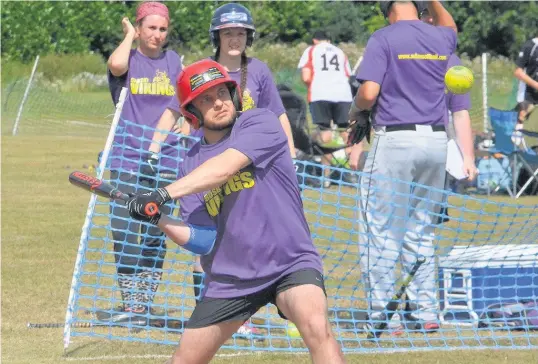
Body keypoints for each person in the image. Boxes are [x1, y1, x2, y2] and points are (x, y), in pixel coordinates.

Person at [126, 59, 346, 364]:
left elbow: (224, 168)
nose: (218, 103)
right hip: (231, 278)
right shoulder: (190, 162)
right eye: (206, 99)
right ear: (192, 112)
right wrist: (159, 218)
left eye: (222, 93)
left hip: (289, 263)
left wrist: (163, 193)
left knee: (316, 327)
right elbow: (202, 240)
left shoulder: (259, 122)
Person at [147, 2, 298, 337]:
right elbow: (176, 112)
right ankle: (211, 311)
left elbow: (277, 113)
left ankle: (250, 310)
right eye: (228, 33)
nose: (235, 39)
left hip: (251, 169)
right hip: (209, 164)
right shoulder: (202, 69)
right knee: (207, 244)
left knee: (251, 239)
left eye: (241, 33)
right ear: (217, 35)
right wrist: (154, 149)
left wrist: (290, 154)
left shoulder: (257, 70)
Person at [348, 0, 458, 334]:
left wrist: (356, 110)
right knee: (421, 228)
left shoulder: (384, 37)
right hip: (436, 142)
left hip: (395, 139)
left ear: (388, 10)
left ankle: (385, 316)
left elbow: (368, 92)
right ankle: (426, 312)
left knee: (380, 231)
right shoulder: (441, 37)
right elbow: (451, 25)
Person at [105, 1, 183, 322]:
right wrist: (127, 36)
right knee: (123, 230)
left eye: (162, 29)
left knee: (154, 230)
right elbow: (116, 66)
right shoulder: (130, 58)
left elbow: (181, 103)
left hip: (165, 156)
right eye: (151, 28)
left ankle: (143, 303)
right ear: (139, 29)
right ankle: (131, 301)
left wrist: (170, 134)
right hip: (126, 155)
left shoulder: (174, 61)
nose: (157, 35)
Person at [297, 30, 356, 187]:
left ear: (315, 40)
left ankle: (326, 177)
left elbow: (306, 76)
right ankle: (351, 173)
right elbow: (348, 76)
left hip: (320, 94)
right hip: (343, 95)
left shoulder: (311, 50)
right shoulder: (340, 51)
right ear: (328, 40)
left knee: (325, 135)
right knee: (346, 133)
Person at [514, 36, 538, 126]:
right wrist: (536, 85)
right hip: (527, 98)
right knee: (523, 133)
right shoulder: (530, 46)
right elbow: (518, 72)